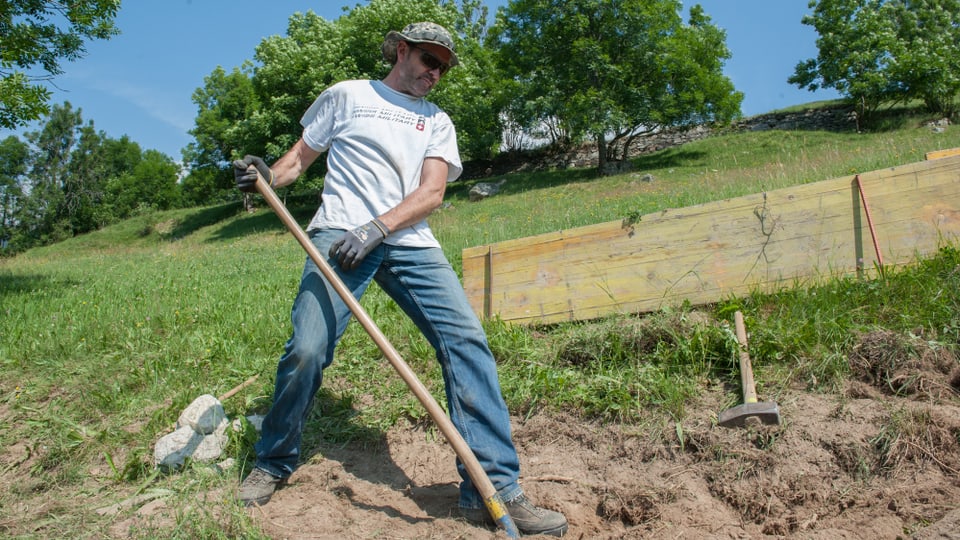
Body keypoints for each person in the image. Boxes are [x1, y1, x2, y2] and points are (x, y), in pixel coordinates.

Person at [232, 22, 568, 537]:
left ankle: (493, 490)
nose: (435, 73)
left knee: (467, 343)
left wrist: (379, 227)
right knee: (308, 347)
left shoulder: (437, 121)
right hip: (339, 237)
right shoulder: (347, 96)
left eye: (443, 67)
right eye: (428, 60)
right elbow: (299, 159)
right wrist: (265, 176)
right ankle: (272, 461)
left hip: (409, 243)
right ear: (402, 50)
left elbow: (432, 193)